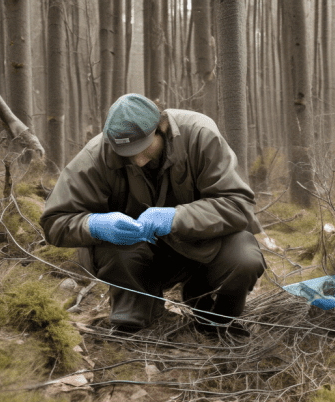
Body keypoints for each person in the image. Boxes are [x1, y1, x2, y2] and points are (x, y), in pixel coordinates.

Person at [40, 93, 265, 336]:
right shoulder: (97, 154)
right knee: (115, 251)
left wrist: (176, 218)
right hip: (135, 256)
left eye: (143, 148)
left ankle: (216, 318)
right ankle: (134, 318)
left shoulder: (199, 134)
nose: (137, 160)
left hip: (200, 247)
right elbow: (54, 221)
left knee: (244, 257)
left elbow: (239, 205)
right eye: (126, 153)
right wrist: (95, 224)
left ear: (162, 128)